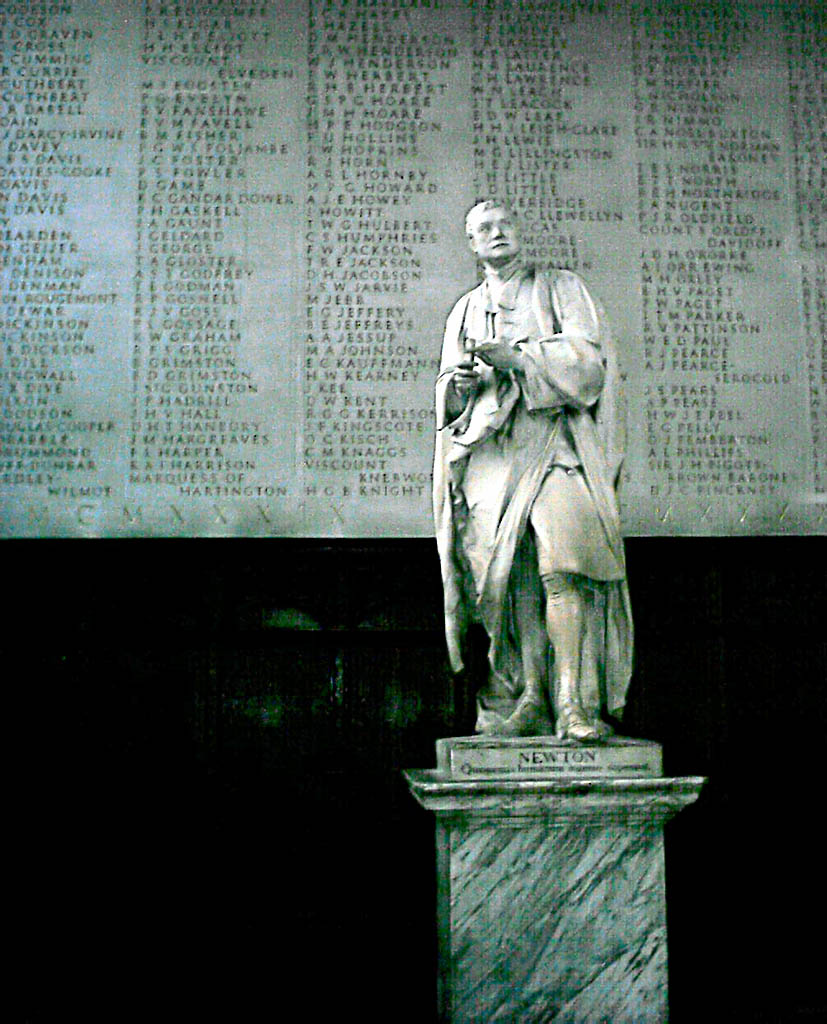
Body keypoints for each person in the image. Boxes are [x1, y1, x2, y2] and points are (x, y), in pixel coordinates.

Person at [433, 200, 633, 741]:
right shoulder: (466, 309)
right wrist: (459, 389)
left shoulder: (561, 288)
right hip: (493, 458)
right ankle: (532, 696)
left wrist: (520, 357)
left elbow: (589, 367)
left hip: (556, 444)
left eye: (505, 224)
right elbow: (449, 402)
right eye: (484, 229)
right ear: (472, 244)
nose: (497, 234)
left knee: (564, 567)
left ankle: (573, 704)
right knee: (514, 575)